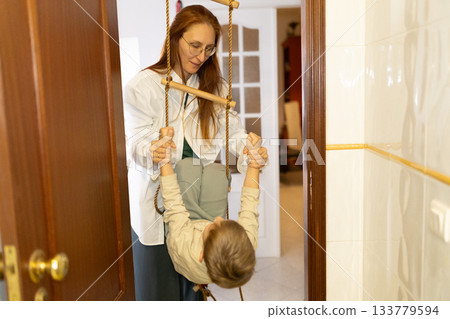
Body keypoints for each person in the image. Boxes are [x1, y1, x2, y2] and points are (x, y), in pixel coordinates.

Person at [123, 5, 251, 300]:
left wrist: (249, 152)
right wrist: (152, 149)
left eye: (209, 48)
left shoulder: (215, 87)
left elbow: (233, 133)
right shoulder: (142, 87)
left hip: (199, 205)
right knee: (160, 294)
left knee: (194, 289)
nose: (201, 55)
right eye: (194, 45)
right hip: (157, 204)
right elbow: (133, 144)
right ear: (174, 39)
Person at [157, 127, 268, 289]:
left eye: (214, 226)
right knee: (218, 171)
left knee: (187, 166)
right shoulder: (246, 243)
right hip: (206, 241)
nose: (218, 218)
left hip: (187, 227)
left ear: (201, 254)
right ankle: (214, 181)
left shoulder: (183, 244)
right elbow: (250, 202)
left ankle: (190, 171)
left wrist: (164, 156)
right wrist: (254, 161)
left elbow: (173, 203)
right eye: (223, 222)